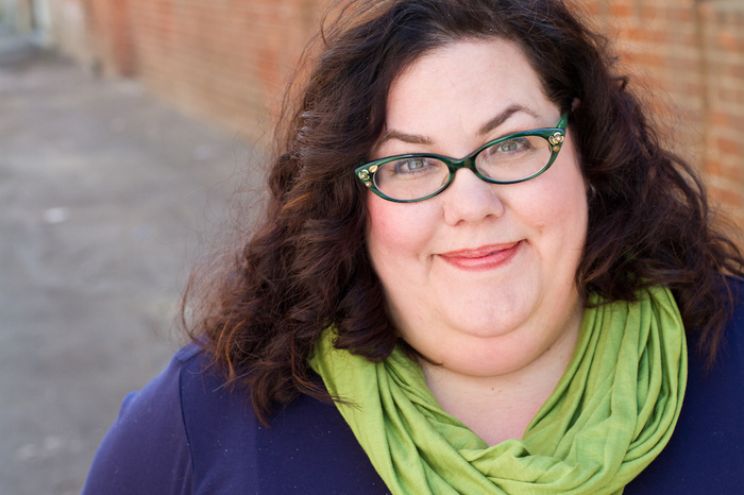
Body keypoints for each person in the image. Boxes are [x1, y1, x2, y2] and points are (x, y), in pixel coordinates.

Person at [82, 0, 744, 493]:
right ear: (352, 202)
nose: (472, 205)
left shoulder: (729, 354)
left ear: (590, 157)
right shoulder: (210, 417)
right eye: (410, 164)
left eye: (512, 145)